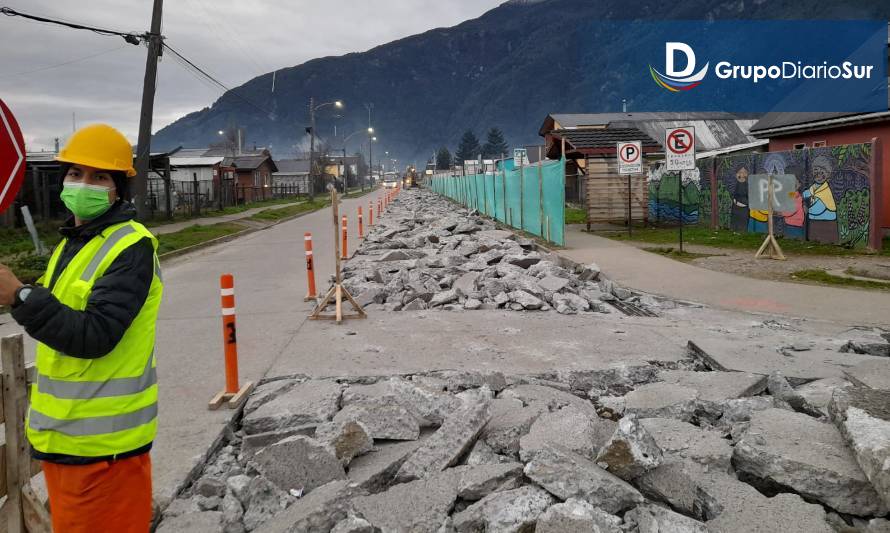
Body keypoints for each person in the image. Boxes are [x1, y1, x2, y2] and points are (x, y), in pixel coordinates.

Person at [0, 124, 162, 532]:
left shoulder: (130, 246)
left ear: (118, 189)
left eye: (99, 176)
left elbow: (95, 335)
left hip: (105, 452)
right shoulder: (77, 242)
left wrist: (19, 297)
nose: (83, 184)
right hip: (65, 443)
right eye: (76, 173)